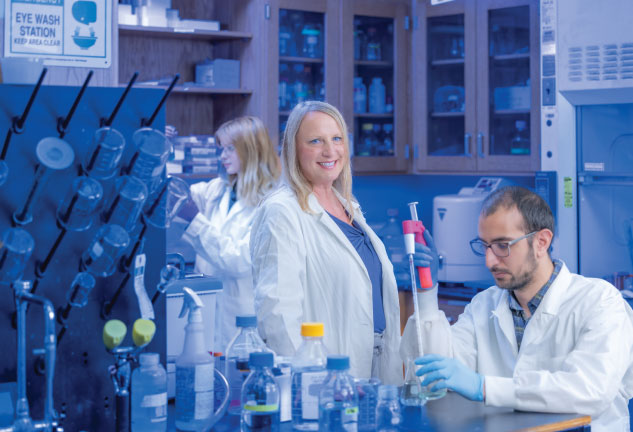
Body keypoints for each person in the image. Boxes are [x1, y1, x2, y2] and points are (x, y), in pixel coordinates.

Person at [401, 186, 633, 431]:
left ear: (541, 242)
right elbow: (432, 376)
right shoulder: (483, 305)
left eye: (503, 245)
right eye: (485, 246)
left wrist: (483, 387)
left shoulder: (600, 301)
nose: (490, 261)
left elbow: (590, 391)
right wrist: (426, 293)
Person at [250, 101, 402, 385]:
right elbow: (278, 316)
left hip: (375, 365)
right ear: (293, 149)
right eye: (315, 141)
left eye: (337, 139)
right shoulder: (282, 211)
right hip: (325, 378)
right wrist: (309, 387)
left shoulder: (347, 205)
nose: (330, 151)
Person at [178, 116, 280, 352]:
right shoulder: (218, 189)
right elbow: (173, 192)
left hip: (242, 321)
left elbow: (238, 260)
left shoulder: (272, 203)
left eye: (230, 149)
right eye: (221, 149)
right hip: (207, 314)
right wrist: (162, 153)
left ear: (252, 150)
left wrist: (195, 221)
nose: (222, 156)